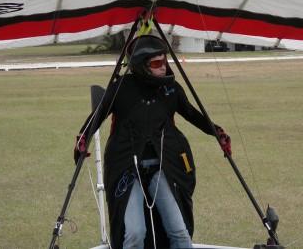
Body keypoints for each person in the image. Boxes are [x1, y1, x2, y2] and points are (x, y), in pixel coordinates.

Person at [73, 34, 232, 249]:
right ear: (142, 66)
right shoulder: (122, 87)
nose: (163, 67)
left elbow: (193, 115)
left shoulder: (172, 89)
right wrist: (83, 138)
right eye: (156, 63)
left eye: (164, 61)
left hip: (164, 166)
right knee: (135, 234)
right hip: (127, 169)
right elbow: (97, 116)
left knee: (180, 232)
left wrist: (218, 132)